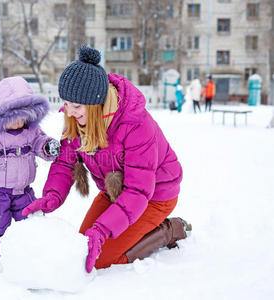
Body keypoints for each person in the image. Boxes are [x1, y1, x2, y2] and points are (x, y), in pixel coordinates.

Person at [22, 46, 191, 273]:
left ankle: (169, 230)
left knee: (101, 261)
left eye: (76, 106)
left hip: (154, 196)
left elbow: (138, 192)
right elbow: (65, 162)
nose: (69, 112)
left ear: (95, 104)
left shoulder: (136, 125)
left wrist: (102, 229)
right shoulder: (78, 119)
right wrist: (53, 195)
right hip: (114, 191)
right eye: (66, 104)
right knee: (83, 248)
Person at [0, 76, 60, 260]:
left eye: (24, 118)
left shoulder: (30, 129)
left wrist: (46, 146)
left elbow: (38, 141)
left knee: (31, 221)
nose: (20, 124)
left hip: (23, 191)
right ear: (3, 113)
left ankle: (31, 255)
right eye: (15, 119)